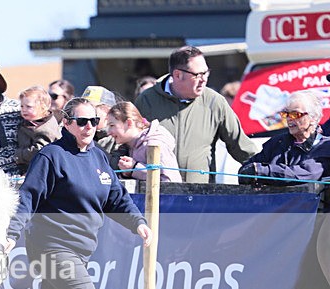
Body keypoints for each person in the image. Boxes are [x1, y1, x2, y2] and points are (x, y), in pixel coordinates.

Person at [6, 97, 153, 289]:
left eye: (94, 122)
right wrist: (11, 234)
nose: (89, 127)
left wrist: (138, 222)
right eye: (82, 121)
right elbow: (28, 198)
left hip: (80, 250)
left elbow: (116, 198)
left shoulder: (98, 157)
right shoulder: (51, 156)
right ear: (66, 123)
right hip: (50, 247)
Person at [136, 46, 258, 183]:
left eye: (206, 73)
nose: (204, 79)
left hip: (200, 192)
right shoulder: (146, 100)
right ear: (177, 75)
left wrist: (264, 169)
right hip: (156, 191)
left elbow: (241, 147)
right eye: (198, 75)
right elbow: (128, 142)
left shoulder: (215, 102)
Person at [239, 90, 330, 186]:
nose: (289, 118)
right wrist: (251, 173)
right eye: (286, 114)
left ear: (313, 118)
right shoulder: (276, 142)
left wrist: (262, 171)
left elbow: (306, 174)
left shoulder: (325, 146)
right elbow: (247, 169)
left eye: (295, 114)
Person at [106, 101, 181, 182]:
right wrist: (127, 173)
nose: (109, 132)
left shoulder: (155, 144)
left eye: (112, 125)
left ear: (129, 123)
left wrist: (135, 168)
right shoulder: (128, 147)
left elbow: (170, 181)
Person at [16, 85, 61, 173]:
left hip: (42, 169)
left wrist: (18, 155)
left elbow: (40, 150)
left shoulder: (46, 128)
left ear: (43, 107)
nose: (24, 110)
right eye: (22, 106)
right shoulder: (32, 121)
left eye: (29, 106)